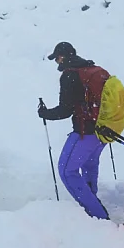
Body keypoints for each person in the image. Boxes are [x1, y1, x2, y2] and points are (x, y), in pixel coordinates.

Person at [38, 42, 110, 220]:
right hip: (103, 131)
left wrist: (44, 113)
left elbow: (65, 110)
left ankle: (97, 215)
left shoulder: (70, 75)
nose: (57, 62)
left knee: (66, 170)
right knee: (89, 165)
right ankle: (92, 203)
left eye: (56, 58)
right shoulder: (92, 69)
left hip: (85, 132)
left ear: (62, 57)